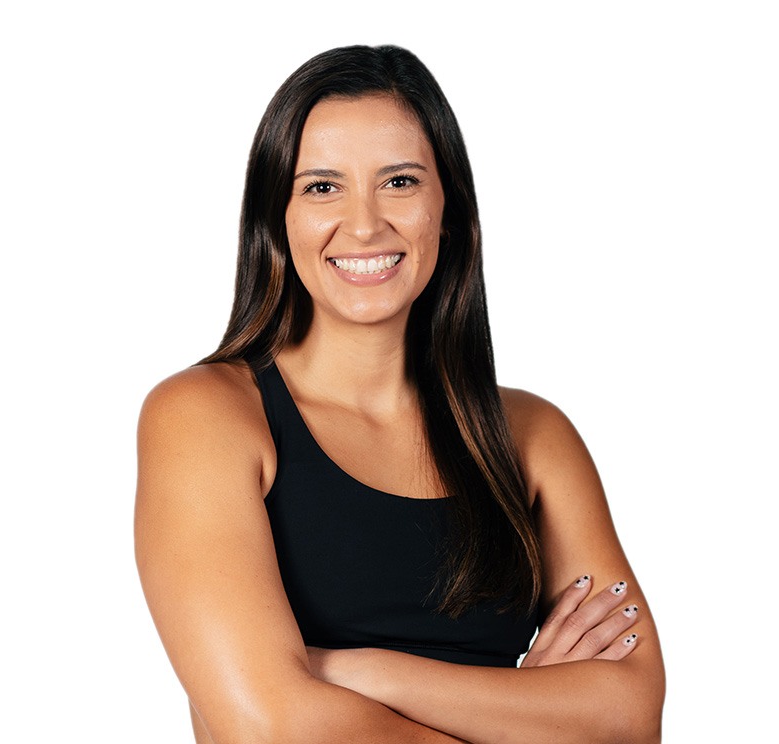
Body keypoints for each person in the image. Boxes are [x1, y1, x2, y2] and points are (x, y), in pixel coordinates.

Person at [135, 44, 665, 743]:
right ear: (276, 218)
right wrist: (531, 711)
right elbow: (269, 725)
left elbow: (631, 717)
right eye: (321, 187)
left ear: (448, 210)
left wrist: (358, 671)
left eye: (400, 181)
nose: (364, 225)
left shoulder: (533, 436)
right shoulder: (206, 415)